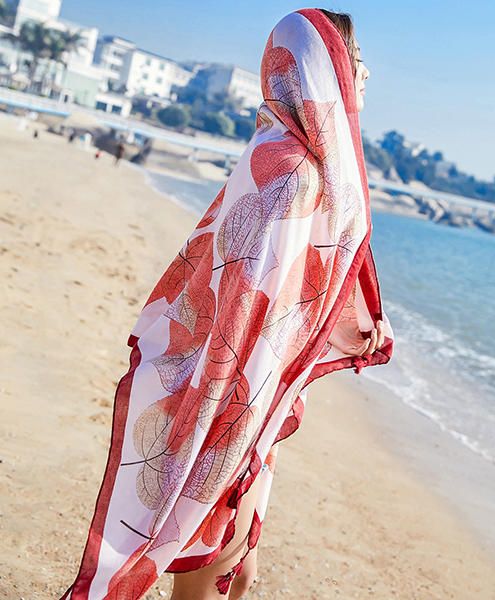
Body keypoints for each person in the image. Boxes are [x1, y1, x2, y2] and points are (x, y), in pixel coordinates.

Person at [59, 8, 394, 600]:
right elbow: (262, 296)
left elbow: (286, 282)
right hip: (235, 393)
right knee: (215, 575)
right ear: (326, 70)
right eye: (356, 63)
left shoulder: (280, 149)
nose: (365, 77)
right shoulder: (296, 172)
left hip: (244, 388)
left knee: (237, 575)